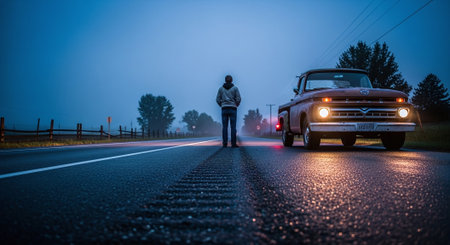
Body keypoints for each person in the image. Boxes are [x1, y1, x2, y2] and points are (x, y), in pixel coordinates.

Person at [216, 75, 241, 148]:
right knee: (233, 127)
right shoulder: (235, 88)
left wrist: (222, 105)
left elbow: (217, 99)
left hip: (224, 109)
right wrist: (236, 105)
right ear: (232, 80)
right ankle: (233, 144)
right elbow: (238, 98)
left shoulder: (221, 89)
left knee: (225, 127)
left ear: (225, 80)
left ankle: (225, 143)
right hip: (233, 108)